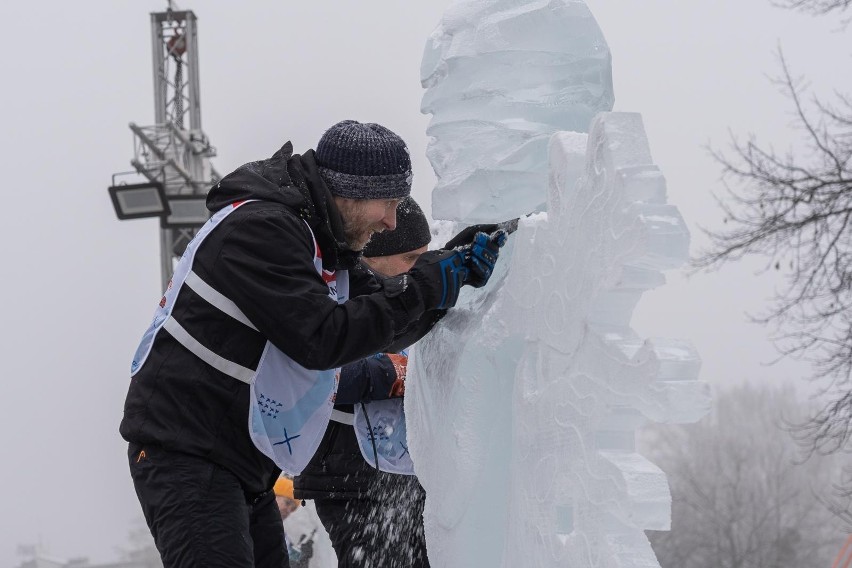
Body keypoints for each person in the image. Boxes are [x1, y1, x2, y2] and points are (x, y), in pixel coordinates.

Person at [120, 119, 506, 568]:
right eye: (388, 203)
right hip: (185, 453)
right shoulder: (260, 230)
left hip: (239, 462)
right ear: (350, 191)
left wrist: (449, 275)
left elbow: (386, 316)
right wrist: (423, 287)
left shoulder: (318, 243)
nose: (391, 221)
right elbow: (323, 338)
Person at [295, 196, 433, 567]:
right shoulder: (326, 295)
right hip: (347, 478)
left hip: (410, 474)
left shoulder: (407, 300)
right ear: (372, 256)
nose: (418, 268)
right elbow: (307, 373)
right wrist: (390, 373)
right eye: (410, 258)